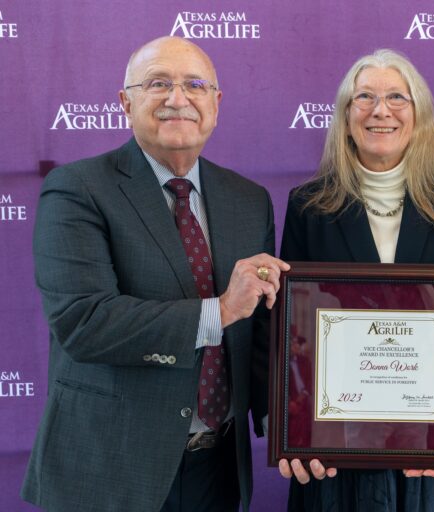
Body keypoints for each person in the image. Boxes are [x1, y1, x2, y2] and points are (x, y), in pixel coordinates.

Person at [21, 36, 289, 512]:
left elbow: (262, 330)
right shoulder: (77, 189)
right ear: (126, 103)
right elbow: (84, 322)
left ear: (216, 104)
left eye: (195, 85)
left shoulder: (249, 200)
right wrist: (221, 310)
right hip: (111, 470)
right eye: (158, 83)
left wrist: (297, 428)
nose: (177, 98)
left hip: (218, 470)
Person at [279, 49, 434, 511]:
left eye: (397, 97)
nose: (381, 110)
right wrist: (289, 428)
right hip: (337, 445)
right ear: (345, 117)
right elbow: (285, 327)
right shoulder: (309, 206)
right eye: (365, 97)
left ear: (419, 115)